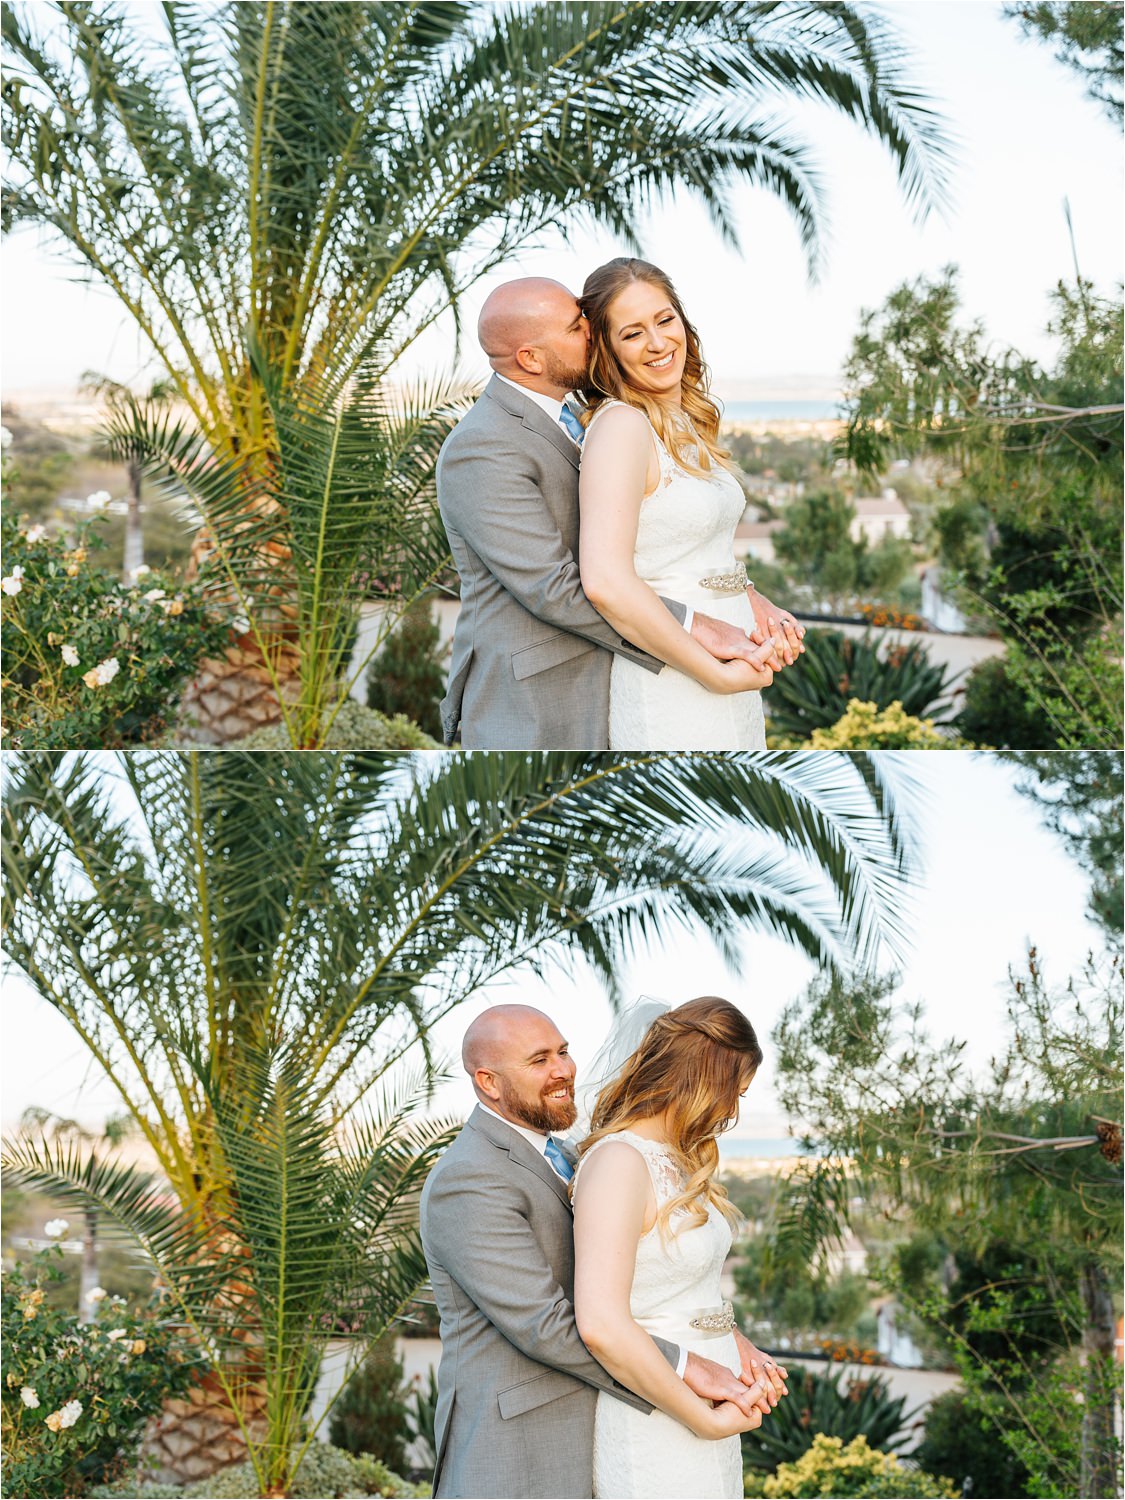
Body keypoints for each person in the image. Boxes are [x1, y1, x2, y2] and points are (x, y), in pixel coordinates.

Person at [418, 1005, 781, 1499]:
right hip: (521, 1446)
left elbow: (644, 1275)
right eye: (539, 1059)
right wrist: (689, 1367)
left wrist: (722, 1334)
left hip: (612, 1416)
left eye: (563, 1051)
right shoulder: (467, 1178)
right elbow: (544, 1325)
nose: (563, 1069)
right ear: (489, 1081)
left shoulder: (574, 1157)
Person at [436, 277, 786, 748]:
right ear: (531, 359)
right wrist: (698, 626)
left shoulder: (585, 414)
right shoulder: (482, 447)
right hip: (538, 704)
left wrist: (741, 595)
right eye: (577, 326)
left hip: (625, 672)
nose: (593, 332)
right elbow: (554, 589)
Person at [577, 258, 805, 749]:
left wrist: (753, 602)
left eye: (665, 320)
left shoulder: (681, 420)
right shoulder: (622, 427)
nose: (658, 343)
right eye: (633, 333)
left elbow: (687, 549)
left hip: (729, 667)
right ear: (607, 351)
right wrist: (712, 674)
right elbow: (604, 582)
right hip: (673, 679)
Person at [573, 997, 788, 1499]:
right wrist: (704, 1421)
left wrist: (739, 1346)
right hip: (655, 1414)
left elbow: (681, 1285)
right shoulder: (619, 1164)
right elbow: (602, 1325)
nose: (734, 1111)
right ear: (702, 1079)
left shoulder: (678, 1161)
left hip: (712, 1396)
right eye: (734, 1092)